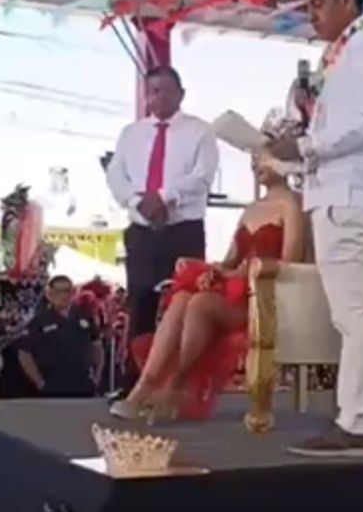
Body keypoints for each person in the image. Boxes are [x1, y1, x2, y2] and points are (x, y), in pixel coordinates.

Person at [266, 0, 363, 458]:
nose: (312, 16)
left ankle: (357, 422)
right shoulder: (350, 53)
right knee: (355, 311)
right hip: (341, 192)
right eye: (308, 7)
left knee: (353, 314)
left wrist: (303, 149)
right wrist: (294, 151)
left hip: (349, 196)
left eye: (319, 4)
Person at [111, 153, 305, 421]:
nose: (255, 165)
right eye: (253, 160)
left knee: (199, 303)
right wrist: (210, 269)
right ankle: (144, 386)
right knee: (182, 298)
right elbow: (230, 260)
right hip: (235, 288)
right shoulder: (251, 209)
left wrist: (247, 270)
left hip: (264, 294)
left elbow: (291, 261)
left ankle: (174, 383)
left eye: (262, 159)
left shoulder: (292, 204)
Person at [106, 66, 219, 392]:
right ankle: (136, 382)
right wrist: (137, 201)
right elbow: (116, 175)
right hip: (142, 230)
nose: (158, 97)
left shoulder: (200, 131)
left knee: (183, 305)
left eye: (166, 90)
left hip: (183, 229)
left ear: (181, 94)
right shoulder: (131, 134)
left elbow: (202, 176)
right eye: (152, 91)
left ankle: (180, 384)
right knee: (140, 303)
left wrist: (164, 197)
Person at [18, 275, 104, 398]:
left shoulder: (85, 317)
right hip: (51, 389)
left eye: (68, 291)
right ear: (49, 294)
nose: (64, 295)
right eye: (59, 291)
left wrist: (97, 376)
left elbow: (97, 346)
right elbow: (24, 354)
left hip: (83, 386)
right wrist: (39, 382)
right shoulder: (39, 321)